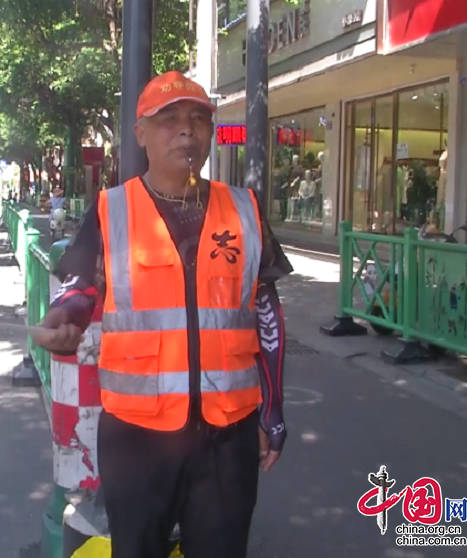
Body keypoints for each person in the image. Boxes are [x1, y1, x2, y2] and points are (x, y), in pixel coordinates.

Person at [31, 71, 294, 558]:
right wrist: (62, 317)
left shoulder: (246, 210)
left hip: (228, 435)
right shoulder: (112, 210)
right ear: (141, 134)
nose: (187, 130)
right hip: (137, 439)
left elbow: (267, 314)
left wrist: (273, 411)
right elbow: (79, 289)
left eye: (199, 119)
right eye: (169, 119)